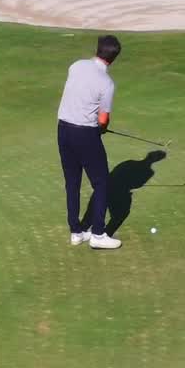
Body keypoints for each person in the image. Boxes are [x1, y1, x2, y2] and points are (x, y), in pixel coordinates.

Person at [57, 35, 123, 250]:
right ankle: (97, 234)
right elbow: (103, 119)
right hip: (85, 134)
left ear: (97, 50)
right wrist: (101, 129)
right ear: (113, 58)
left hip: (63, 130)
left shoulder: (76, 65)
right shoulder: (107, 83)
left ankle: (76, 231)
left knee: (72, 182)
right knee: (102, 182)